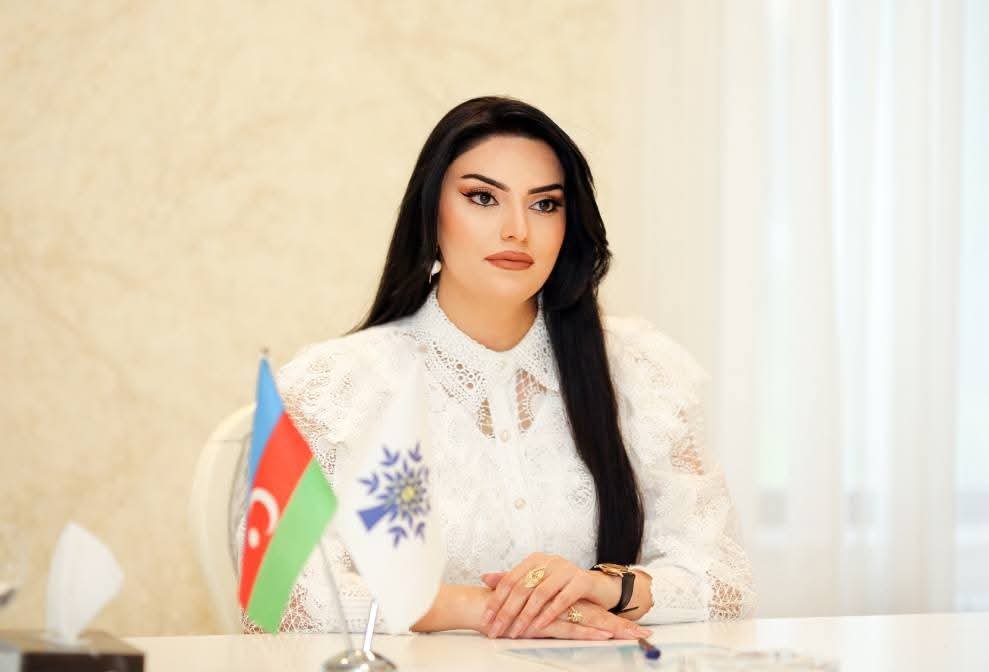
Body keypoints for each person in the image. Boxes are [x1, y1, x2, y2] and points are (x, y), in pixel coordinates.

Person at [247, 96, 754, 639]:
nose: (517, 229)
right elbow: (279, 597)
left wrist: (604, 588)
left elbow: (725, 581)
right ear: (430, 213)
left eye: (545, 204)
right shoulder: (333, 388)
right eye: (483, 197)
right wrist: (486, 608)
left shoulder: (639, 371)